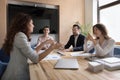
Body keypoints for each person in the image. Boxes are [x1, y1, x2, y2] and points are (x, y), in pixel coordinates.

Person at [1, 13, 62, 80]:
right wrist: (52, 47)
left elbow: (33, 52)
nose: (33, 26)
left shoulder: (19, 35)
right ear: (24, 25)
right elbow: (35, 59)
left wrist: (44, 42)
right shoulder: (20, 36)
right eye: (31, 23)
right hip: (17, 75)